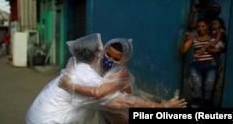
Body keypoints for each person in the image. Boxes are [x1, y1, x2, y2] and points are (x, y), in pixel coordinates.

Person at [25, 33, 186, 124]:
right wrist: (163, 106)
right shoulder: (89, 77)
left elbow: (129, 100)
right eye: (106, 54)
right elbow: (124, 103)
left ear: (125, 61)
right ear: (98, 54)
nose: (107, 59)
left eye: (115, 58)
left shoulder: (77, 66)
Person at [179, 18, 219, 108]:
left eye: (203, 26)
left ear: (207, 27)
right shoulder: (194, 38)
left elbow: (219, 50)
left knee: (209, 90)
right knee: (196, 89)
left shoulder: (213, 38)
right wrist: (184, 40)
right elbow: (182, 50)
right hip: (196, 66)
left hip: (210, 66)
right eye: (198, 27)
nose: (200, 28)